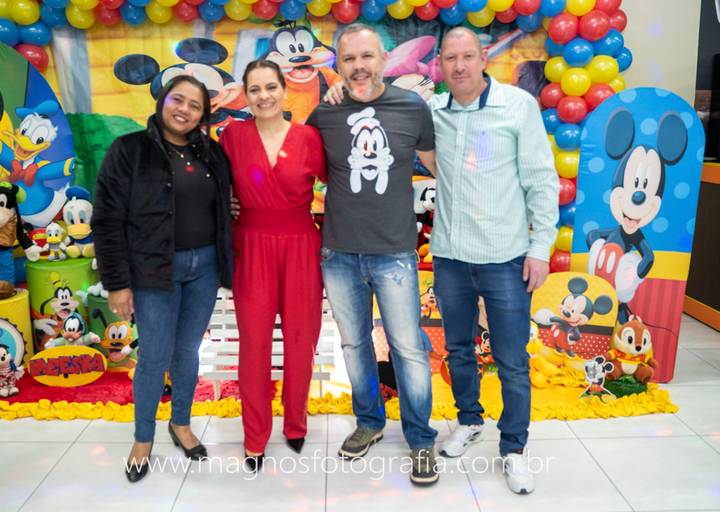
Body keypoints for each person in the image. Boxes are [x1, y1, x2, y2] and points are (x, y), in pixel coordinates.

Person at [306, 23, 439, 486]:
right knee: (354, 344)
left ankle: (421, 439)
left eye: (366, 56)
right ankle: (369, 422)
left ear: (384, 59)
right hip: (339, 253)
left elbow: (438, 165)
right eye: (349, 59)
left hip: (395, 253)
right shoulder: (325, 113)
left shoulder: (412, 106)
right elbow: (298, 166)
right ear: (338, 65)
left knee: (408, 346)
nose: (358, 66)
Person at [429, 27, 559, 495]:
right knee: (458, 349)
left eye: (467, 56)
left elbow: (541, 181)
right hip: (449, 256)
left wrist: (540, 249)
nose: (459, 65)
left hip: (505, 257)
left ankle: (514, 448)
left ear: (483, 57)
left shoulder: (517, 106)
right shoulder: (434, 111)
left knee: (512, 359)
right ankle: (469, 420)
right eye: (450, 58)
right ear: (440, 64)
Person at [92, 75, 234, 483]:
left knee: (187, 351)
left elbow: (224, 203)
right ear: (162, 100)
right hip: (153, 270)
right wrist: (118, 283)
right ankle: (143, 438)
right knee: (154, 356)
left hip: (204, 267)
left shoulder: (212, 152)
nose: (184, 109)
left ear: (203, 115)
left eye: (194, 105)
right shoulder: (129, 150)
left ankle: (181, 423)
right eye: (178, 99)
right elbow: (106, 220)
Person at [219, 59, 327, 472]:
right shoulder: (232, 136)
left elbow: (341, 184)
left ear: (284, 90)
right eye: (255, 89)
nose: (263, 96)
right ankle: (254, 437)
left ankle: (295, 424)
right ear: (245, 95)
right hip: (251, 245)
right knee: (254, 345)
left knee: (301, 340)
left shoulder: (309, 137)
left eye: (270, 87)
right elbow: (214, 185)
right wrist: (227, 207)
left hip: (300, 245)